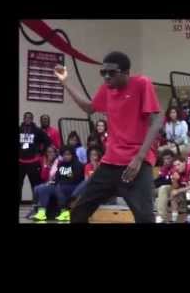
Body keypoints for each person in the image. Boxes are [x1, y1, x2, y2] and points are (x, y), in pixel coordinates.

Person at [54, 51, 163, 223]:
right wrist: (65, 81)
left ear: (126, 73)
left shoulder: (142, 83)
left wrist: (139, 158)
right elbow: (90, 108)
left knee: (145, 217)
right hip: (110, 163)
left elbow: (157, 120)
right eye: (103, 72)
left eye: (111, 73)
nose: (106, 76)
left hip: (136, 164)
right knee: (78, 212)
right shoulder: (107, 88)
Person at [32, 146, 84, 222]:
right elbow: (57, 178)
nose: (66, 156)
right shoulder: (61, 164)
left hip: (73, 186)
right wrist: (51, 183)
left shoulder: (77, 165)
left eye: (68, 154)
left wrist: (60, 183)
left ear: (72, 155)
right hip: (60, 185)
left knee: (59, 188)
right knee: (42, 188)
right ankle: (42, 212)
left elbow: (77, 179)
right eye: (64, 155)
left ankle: (64, 212)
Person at [19, 112, 51, 203]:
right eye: (26, 117)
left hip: (33, 162)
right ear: (24, 119)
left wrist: (41, 152)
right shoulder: (19, 129)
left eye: (30, 118)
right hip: (21, 162)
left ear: (32, 119)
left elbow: (47, 141)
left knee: (35, 184)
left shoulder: (38, 130)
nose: (28, 119)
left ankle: (36, 203)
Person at [156, 156, 190, 223]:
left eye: (179, 164)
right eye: (175, 165)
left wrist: (178, 190)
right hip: (182, 191)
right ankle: (170, 219)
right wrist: (175, 180)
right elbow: (175, 187)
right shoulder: (174, 171)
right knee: (167, 189)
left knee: (188, 192)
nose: (177, 167)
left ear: (184, 163)